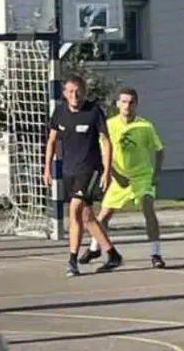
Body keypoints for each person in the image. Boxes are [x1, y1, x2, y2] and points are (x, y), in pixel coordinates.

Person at [44, 75, 123, 276]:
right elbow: (52, 141)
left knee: (75, 211)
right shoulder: (60, 113)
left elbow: (106, 142)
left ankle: (72, 260)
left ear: (84, 92)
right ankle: (113, 254)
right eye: (70, 91)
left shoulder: (94, 112)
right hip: (69, 170)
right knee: (87, 218)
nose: (74, 95)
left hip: (90, 169)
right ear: (64, 94)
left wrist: (106, 171)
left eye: (78, 91)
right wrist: (47, 168)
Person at [78, 87, 166, 269]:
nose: (127, 106)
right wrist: (114, 175)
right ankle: (95, 247)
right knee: (103, 216)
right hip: (118, 176)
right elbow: (104, 153)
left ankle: (156, 253)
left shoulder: (145, 126)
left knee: (148, 208)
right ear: (118, 104)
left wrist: (156, 172)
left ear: (137, 104)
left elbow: (159, 150)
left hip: (141, 176)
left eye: (131, 102)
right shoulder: (109, 125)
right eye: (124, 102)